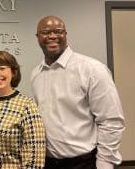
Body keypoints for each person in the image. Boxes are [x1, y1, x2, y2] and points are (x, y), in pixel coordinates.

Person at [31, 15, 125, 169]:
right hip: (47, 162)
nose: (52, 36)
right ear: (38, 37)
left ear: (65, 34)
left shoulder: (92, 69)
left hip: (84, 163)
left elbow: (111, 121)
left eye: (58, 31)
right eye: (46, 32)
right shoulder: (36, 74)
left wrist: (105, 163)